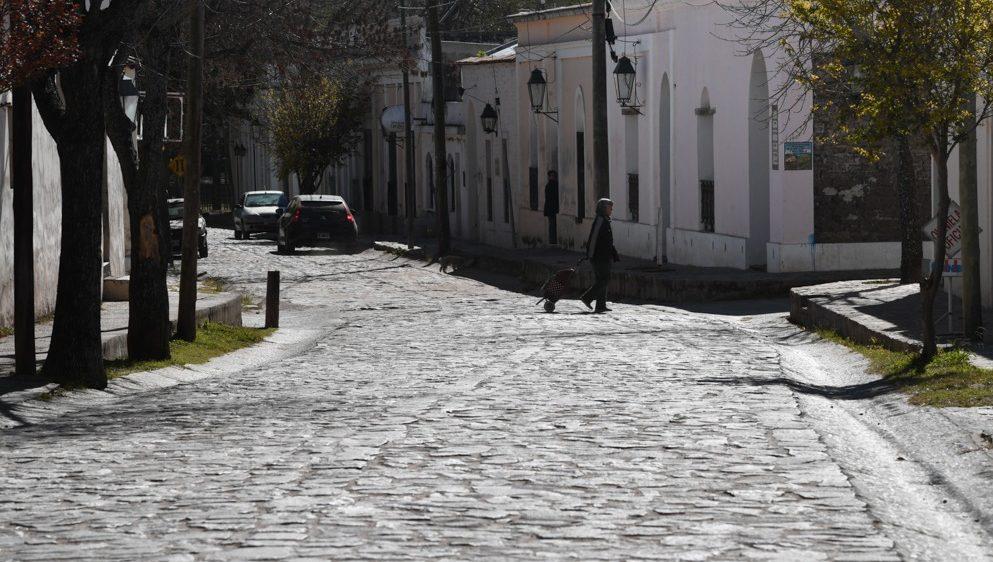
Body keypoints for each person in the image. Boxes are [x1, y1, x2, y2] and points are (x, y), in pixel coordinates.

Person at [581, 198, 620, 313]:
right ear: (603, 208)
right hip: (599, 257)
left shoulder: (605, 220)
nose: (611, 210)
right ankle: (587, 297)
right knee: (604, 279)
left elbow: (608, 241)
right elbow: (593, 240)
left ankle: (601, 305)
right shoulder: (600, 221)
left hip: (605, 256)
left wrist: (614, 253)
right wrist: (590, 255)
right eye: (609, 207)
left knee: (602, 280)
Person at [543, 170, 560, 245]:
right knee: (552, 225)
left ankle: (553, 240)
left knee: (553, 225)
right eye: (551, 176)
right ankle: (552, 241)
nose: (553, 177)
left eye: (554, 176)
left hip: (554, 208)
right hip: (551, 208)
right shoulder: (549, 186)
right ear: (549, 177)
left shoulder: (554, 185)